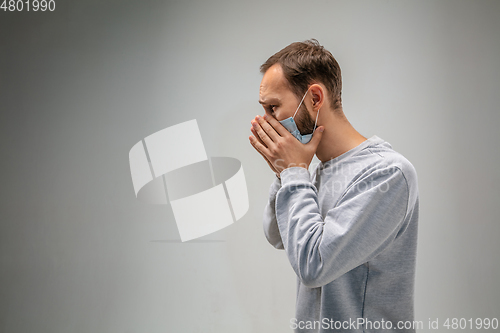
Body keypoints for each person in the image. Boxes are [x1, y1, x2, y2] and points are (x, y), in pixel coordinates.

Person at [249, 39, 419, 332]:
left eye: (273, 108)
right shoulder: (315, 173)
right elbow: (277, 235)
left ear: (315, 98)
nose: (267, 122)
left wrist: (293, 171)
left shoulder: (387, 174)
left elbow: (313, 265)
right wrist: (285, 174)